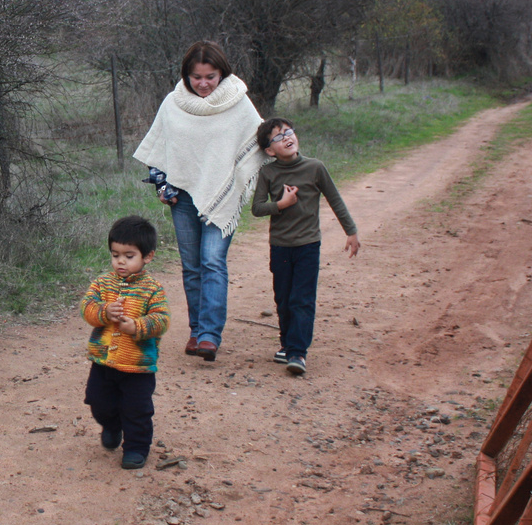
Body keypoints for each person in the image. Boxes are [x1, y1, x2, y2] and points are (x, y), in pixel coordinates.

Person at [132, 41, 266, 362]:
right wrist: (162, 185)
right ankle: (196, 330)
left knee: (212, 261)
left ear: (222, 73)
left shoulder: (238, 101)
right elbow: (160, 149)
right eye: (196, 77)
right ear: (186, 75)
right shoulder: (173, 102)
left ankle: (209, 335)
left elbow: (259, 141)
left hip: (223, 195)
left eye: (210, 76)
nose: (204, 83)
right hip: (183, 197)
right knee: (192, 266)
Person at [249, 116, 361, 376]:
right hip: (280, 246)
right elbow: (256, 209)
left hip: (308, 245)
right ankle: (287, 344)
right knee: (283, 299)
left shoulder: (315, 167)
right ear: (269, 150)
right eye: (278, 137)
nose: (287, 138)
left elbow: (335, 200)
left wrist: (351, 231)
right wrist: (281, 204)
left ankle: (298, 352)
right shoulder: (268, 172)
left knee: (302, 299)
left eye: (289, 132)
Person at [81, 215, 170, 470]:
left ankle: (136, 448)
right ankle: (111, 424)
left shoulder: (152, 289)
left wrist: (138, 327)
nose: (120, 261)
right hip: (103, 361)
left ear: (147, 256)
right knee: (97, 401)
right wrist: (103, 312)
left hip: (138, 366)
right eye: (115, 254)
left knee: (137, 410)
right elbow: (87, 308)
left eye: (129, 256)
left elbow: (161, 320)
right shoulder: (102, 283)